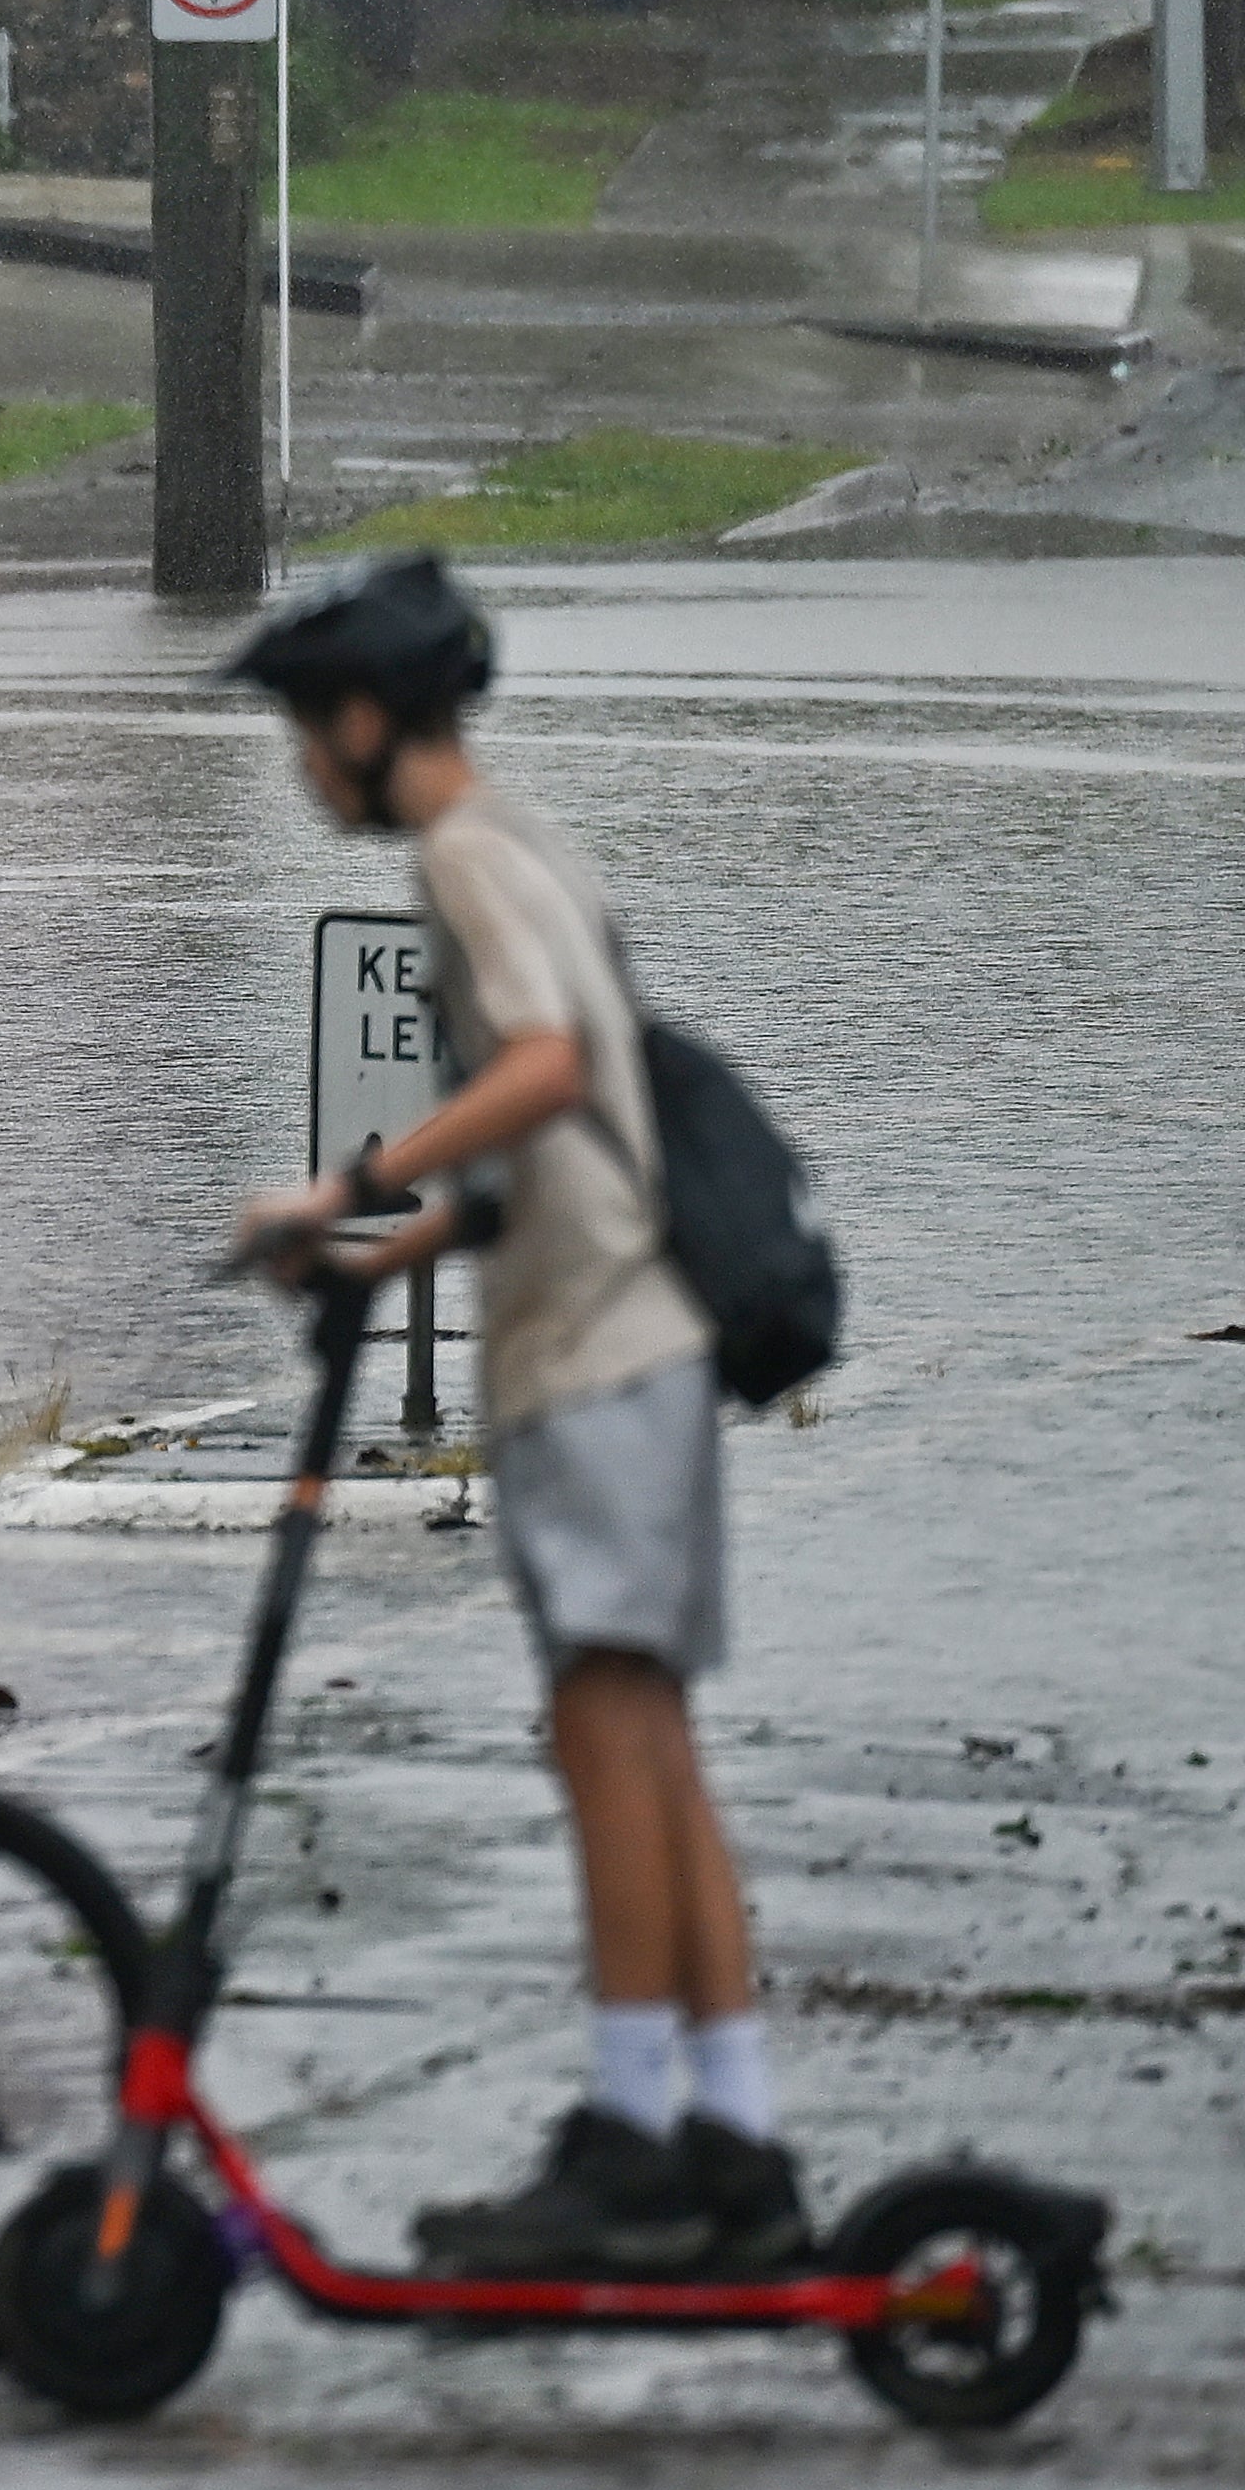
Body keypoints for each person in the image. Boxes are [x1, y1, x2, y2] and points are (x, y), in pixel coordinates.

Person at [219, 553, 806, 2279]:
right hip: (642, 1336)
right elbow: (567, 1134)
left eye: (299, 737)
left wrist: (345, 1177)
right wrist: (387, 1243)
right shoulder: (527, 837)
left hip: (596, 1362)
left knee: (606, 1736)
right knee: (653, 1739)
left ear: (363, 719)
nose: (297, 771)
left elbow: (542, 1069)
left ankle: (631, 2136)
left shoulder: (466, 859)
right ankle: (734, 2135)